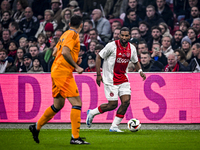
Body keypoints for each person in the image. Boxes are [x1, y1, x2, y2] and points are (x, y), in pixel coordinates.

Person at [29, 15, 90, 144]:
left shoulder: (64, 34)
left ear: (69, 23)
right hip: (63, 72)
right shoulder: (73, 35)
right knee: (77, 103)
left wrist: (73, 58)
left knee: (58, 104)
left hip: (56, 70)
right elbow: (64, 52)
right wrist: (76, 66)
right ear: (81, 25)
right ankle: (75, 137)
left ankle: (36, 126)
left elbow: (54, 52)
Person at [86, 27, 146, 132]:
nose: (123, 37)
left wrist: (140, 71)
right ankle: (92, 113)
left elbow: (136, 61)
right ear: (119, 35)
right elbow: (99, 57)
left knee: (126, 101)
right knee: (112, 105)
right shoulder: (111, 46)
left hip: (123, 78)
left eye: (126, 35)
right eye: (121, 35)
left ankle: (114, 126)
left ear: (129, 36)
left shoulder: (132, 48)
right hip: (110, 79)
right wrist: (99, 75)